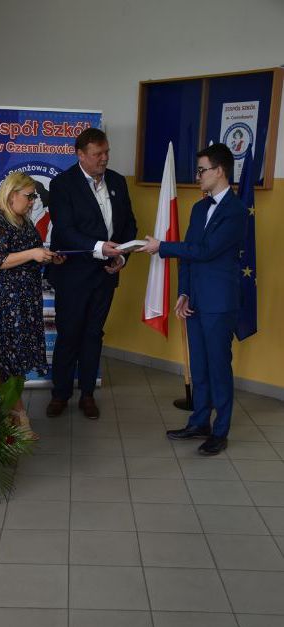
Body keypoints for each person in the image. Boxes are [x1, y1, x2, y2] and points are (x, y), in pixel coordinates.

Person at [140, 143, 247, 455]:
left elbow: (206, 251)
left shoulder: (236, 211)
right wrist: (184, 292)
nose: (197, 176)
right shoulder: (199, 208)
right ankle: (200, 422)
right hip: (196, 299)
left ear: (220, 171)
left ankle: (220, 431)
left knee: (218, 367)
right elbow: (188, 255)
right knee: (199, 365)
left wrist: (162, 246)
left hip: (219, 303)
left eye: (202, 170)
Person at [46, 127, 137, 419]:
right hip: (73, 274)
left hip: (106, 274)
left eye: (106, 152)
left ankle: (87, 394)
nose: (104, 158)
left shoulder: (118, 181)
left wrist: (122, 256)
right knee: (69, 333)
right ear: (81, 155)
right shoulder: (62, 184)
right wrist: (99, 247)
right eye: (98, 154)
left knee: (93, 334)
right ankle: (60, 394)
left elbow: (129, 225)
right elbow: (65, 230)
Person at [0, 172, 62, 440]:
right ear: (11, 195)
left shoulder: (24, 222)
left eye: (34, 196)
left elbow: (31, 256)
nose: (32, 201)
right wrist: (32, 254)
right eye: (29, 196)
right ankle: (18, 416)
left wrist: (47, 257)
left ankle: (8, 412)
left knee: (17, 358)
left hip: (26, 300)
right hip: (5, 301)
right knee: (6, 359)